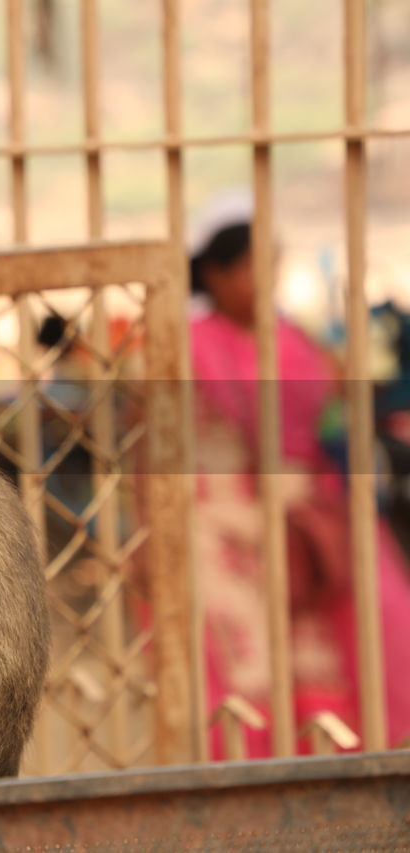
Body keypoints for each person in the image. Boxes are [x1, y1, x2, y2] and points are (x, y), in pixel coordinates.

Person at [187, 190, 410, 757]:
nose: (264, 279)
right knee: (248, 665)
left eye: (272, 262)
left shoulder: (292, 338)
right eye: (248, 266)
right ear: (214, 273)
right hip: (227, 527)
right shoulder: (192, 344)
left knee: (334, 649)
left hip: (305, 515)